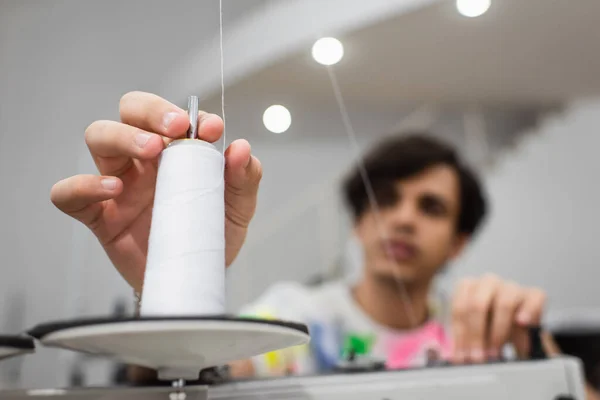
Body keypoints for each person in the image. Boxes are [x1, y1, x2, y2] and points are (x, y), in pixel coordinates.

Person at [49, 91, 558, 385]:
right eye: (384, 200)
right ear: (359, 222)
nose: (402, 220)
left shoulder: (485, 327)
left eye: (431, 207)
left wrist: (540, 354)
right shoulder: (293, 318)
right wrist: (163, 293)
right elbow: (194, 375)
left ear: (458, 242)